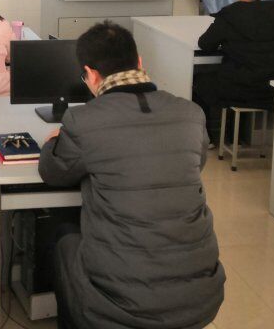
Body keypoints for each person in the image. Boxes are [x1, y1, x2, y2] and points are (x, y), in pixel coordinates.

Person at [38, 22, 225, 329]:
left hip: (121, 306)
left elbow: (52, 173)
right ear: (139, 62)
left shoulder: (83, 120)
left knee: (63, 236)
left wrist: (52, 143)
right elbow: (195, 163)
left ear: (91, 74)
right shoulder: (191, 113)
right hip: (203, 297)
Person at [193, 0, 274, 145]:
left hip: (238, 86)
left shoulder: (230, 15)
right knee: (232, 79)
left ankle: (212, 138)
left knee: (199, 82)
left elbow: (205, 44)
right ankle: (239, 138)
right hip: (270, 86)